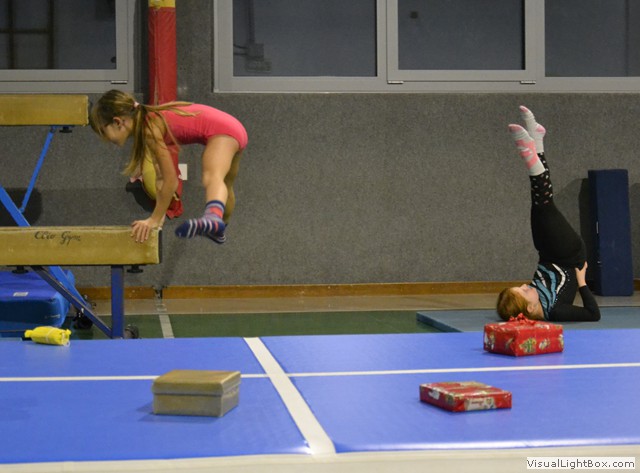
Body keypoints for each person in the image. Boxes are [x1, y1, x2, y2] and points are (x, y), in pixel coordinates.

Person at [89, 89, 248, 244]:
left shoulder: (149, 129)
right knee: (225, 184)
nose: (105, 140)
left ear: (117, 122)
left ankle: (213, 218)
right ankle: (221, 226)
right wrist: (160, 214)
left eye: (103, 132)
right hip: (233, 126)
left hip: (223, 131)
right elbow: (160, 176)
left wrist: (154, 219)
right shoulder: (149, 121)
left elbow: (170, 180)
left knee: (212, 176)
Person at [496, 106, 600, 322]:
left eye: (520, 287)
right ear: (531, 308)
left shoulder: (533, 300)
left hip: (546, 252)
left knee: (539, 207)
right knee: (544, 206)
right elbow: (592, 315)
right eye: (524, 291)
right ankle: (530, 155)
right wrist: (582, 282)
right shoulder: (556, 310)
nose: (525, 285)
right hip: (569, 255)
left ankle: (537, 141)